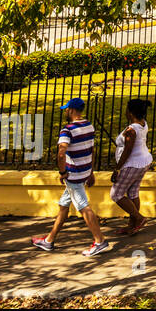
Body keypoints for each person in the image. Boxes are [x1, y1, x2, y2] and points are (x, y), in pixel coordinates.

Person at [31, 98, 109, 257]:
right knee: (63, 206)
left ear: (72, 110)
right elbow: (91, 150)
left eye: (66, 109)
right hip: (85, 171)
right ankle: (49, 240)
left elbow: (61, 154)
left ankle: (100, 241)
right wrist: (91, 171)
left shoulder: (67, 130)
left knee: (83, 207)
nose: (65, 111)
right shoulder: (89, 126)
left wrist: (62, 172)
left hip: (73, 175)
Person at [111, 98, 153, 235]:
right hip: (143, 161)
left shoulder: (131, 130)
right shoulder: (142, 124)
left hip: (132, 164)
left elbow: (128, 151)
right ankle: (132, 225)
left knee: (116, 194)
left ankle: (139, 218)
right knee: (133, 192)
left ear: (130, 112)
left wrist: (117, 168)